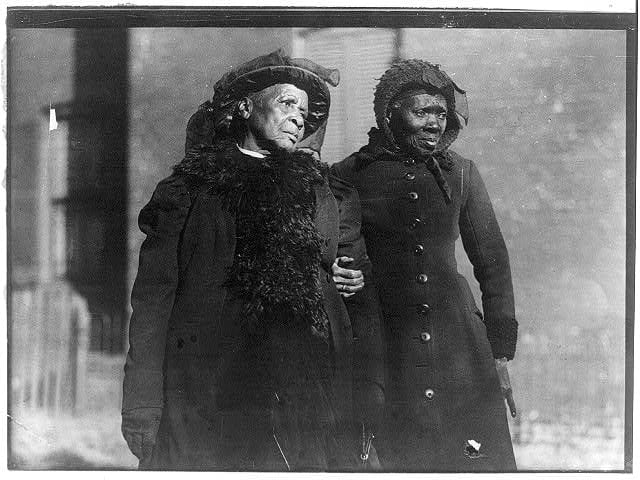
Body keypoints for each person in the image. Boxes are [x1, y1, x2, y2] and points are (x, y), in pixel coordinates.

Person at [121, 49, 384, 471]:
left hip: (305, 391)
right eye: (286, 103)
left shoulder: (322, 193)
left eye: (305, 111)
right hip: (210, 389)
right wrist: (142, 401)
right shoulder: (191, 190)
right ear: (245, 106)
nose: (299, 118)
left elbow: (351, 281)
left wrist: (343, 279)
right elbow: (152, 302)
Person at [331, 59, 518, 471]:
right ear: (390, 113)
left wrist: (499, 351)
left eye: (440, 114)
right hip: (389, 341)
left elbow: (493, 262)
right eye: (422, 112)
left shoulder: (463, 174)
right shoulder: (349, 174)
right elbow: (339, 249)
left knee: (475, 460)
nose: (434, 124)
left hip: (461, 349)